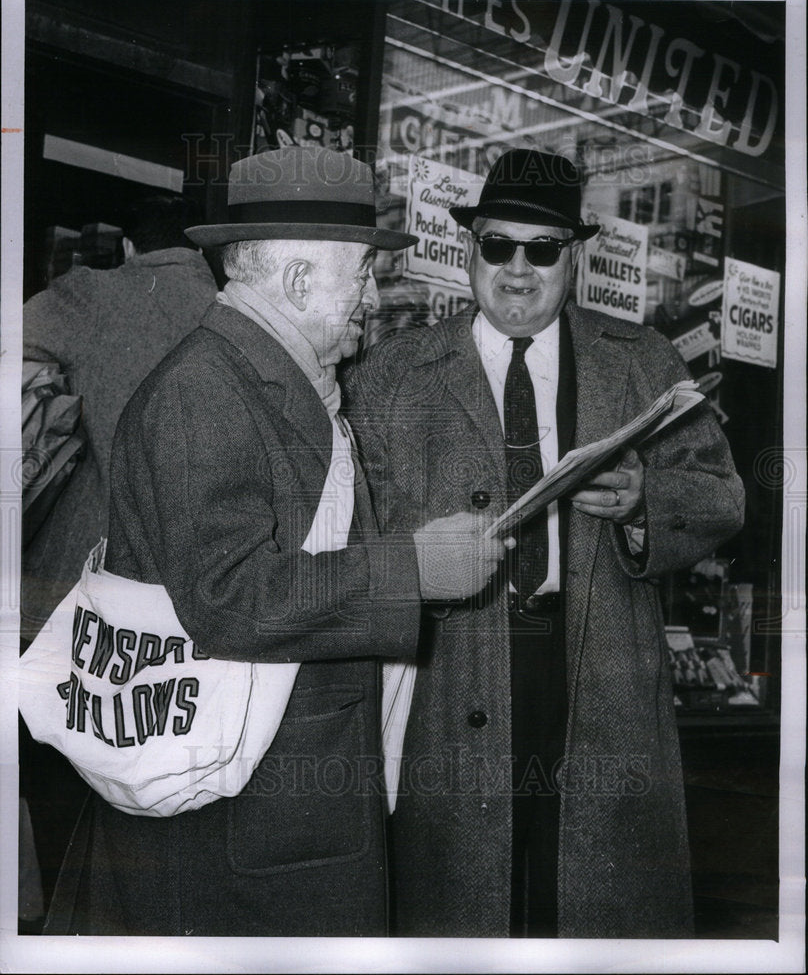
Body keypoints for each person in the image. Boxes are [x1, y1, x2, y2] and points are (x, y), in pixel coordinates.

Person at [44, 146, 504, 937]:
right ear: (296, 282)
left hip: (276, 813)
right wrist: (415, 569)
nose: (372, 293)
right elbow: (228, 597)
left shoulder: (272, 375)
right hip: (240, 834)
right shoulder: (206, 388)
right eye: (360, 273)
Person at [346, 148, 745, 939]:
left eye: (543, 250)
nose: (518, 270)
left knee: (593, 903)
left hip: (601, 669)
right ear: (469, 250)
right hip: (446, 667)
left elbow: (722, 496)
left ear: (576, 258)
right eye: (497, 246)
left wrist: (645, 501)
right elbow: (355, 537)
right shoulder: (391, 377)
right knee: (459, 901)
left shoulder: (642, 362)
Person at [19, 191, 218, 928]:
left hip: (68, 598)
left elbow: (17, 339)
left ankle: (47, 930)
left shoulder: (95, 293)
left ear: (131, 248)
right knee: (137, 790)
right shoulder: (229, 313)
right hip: (179, 616)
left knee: (51, 765)